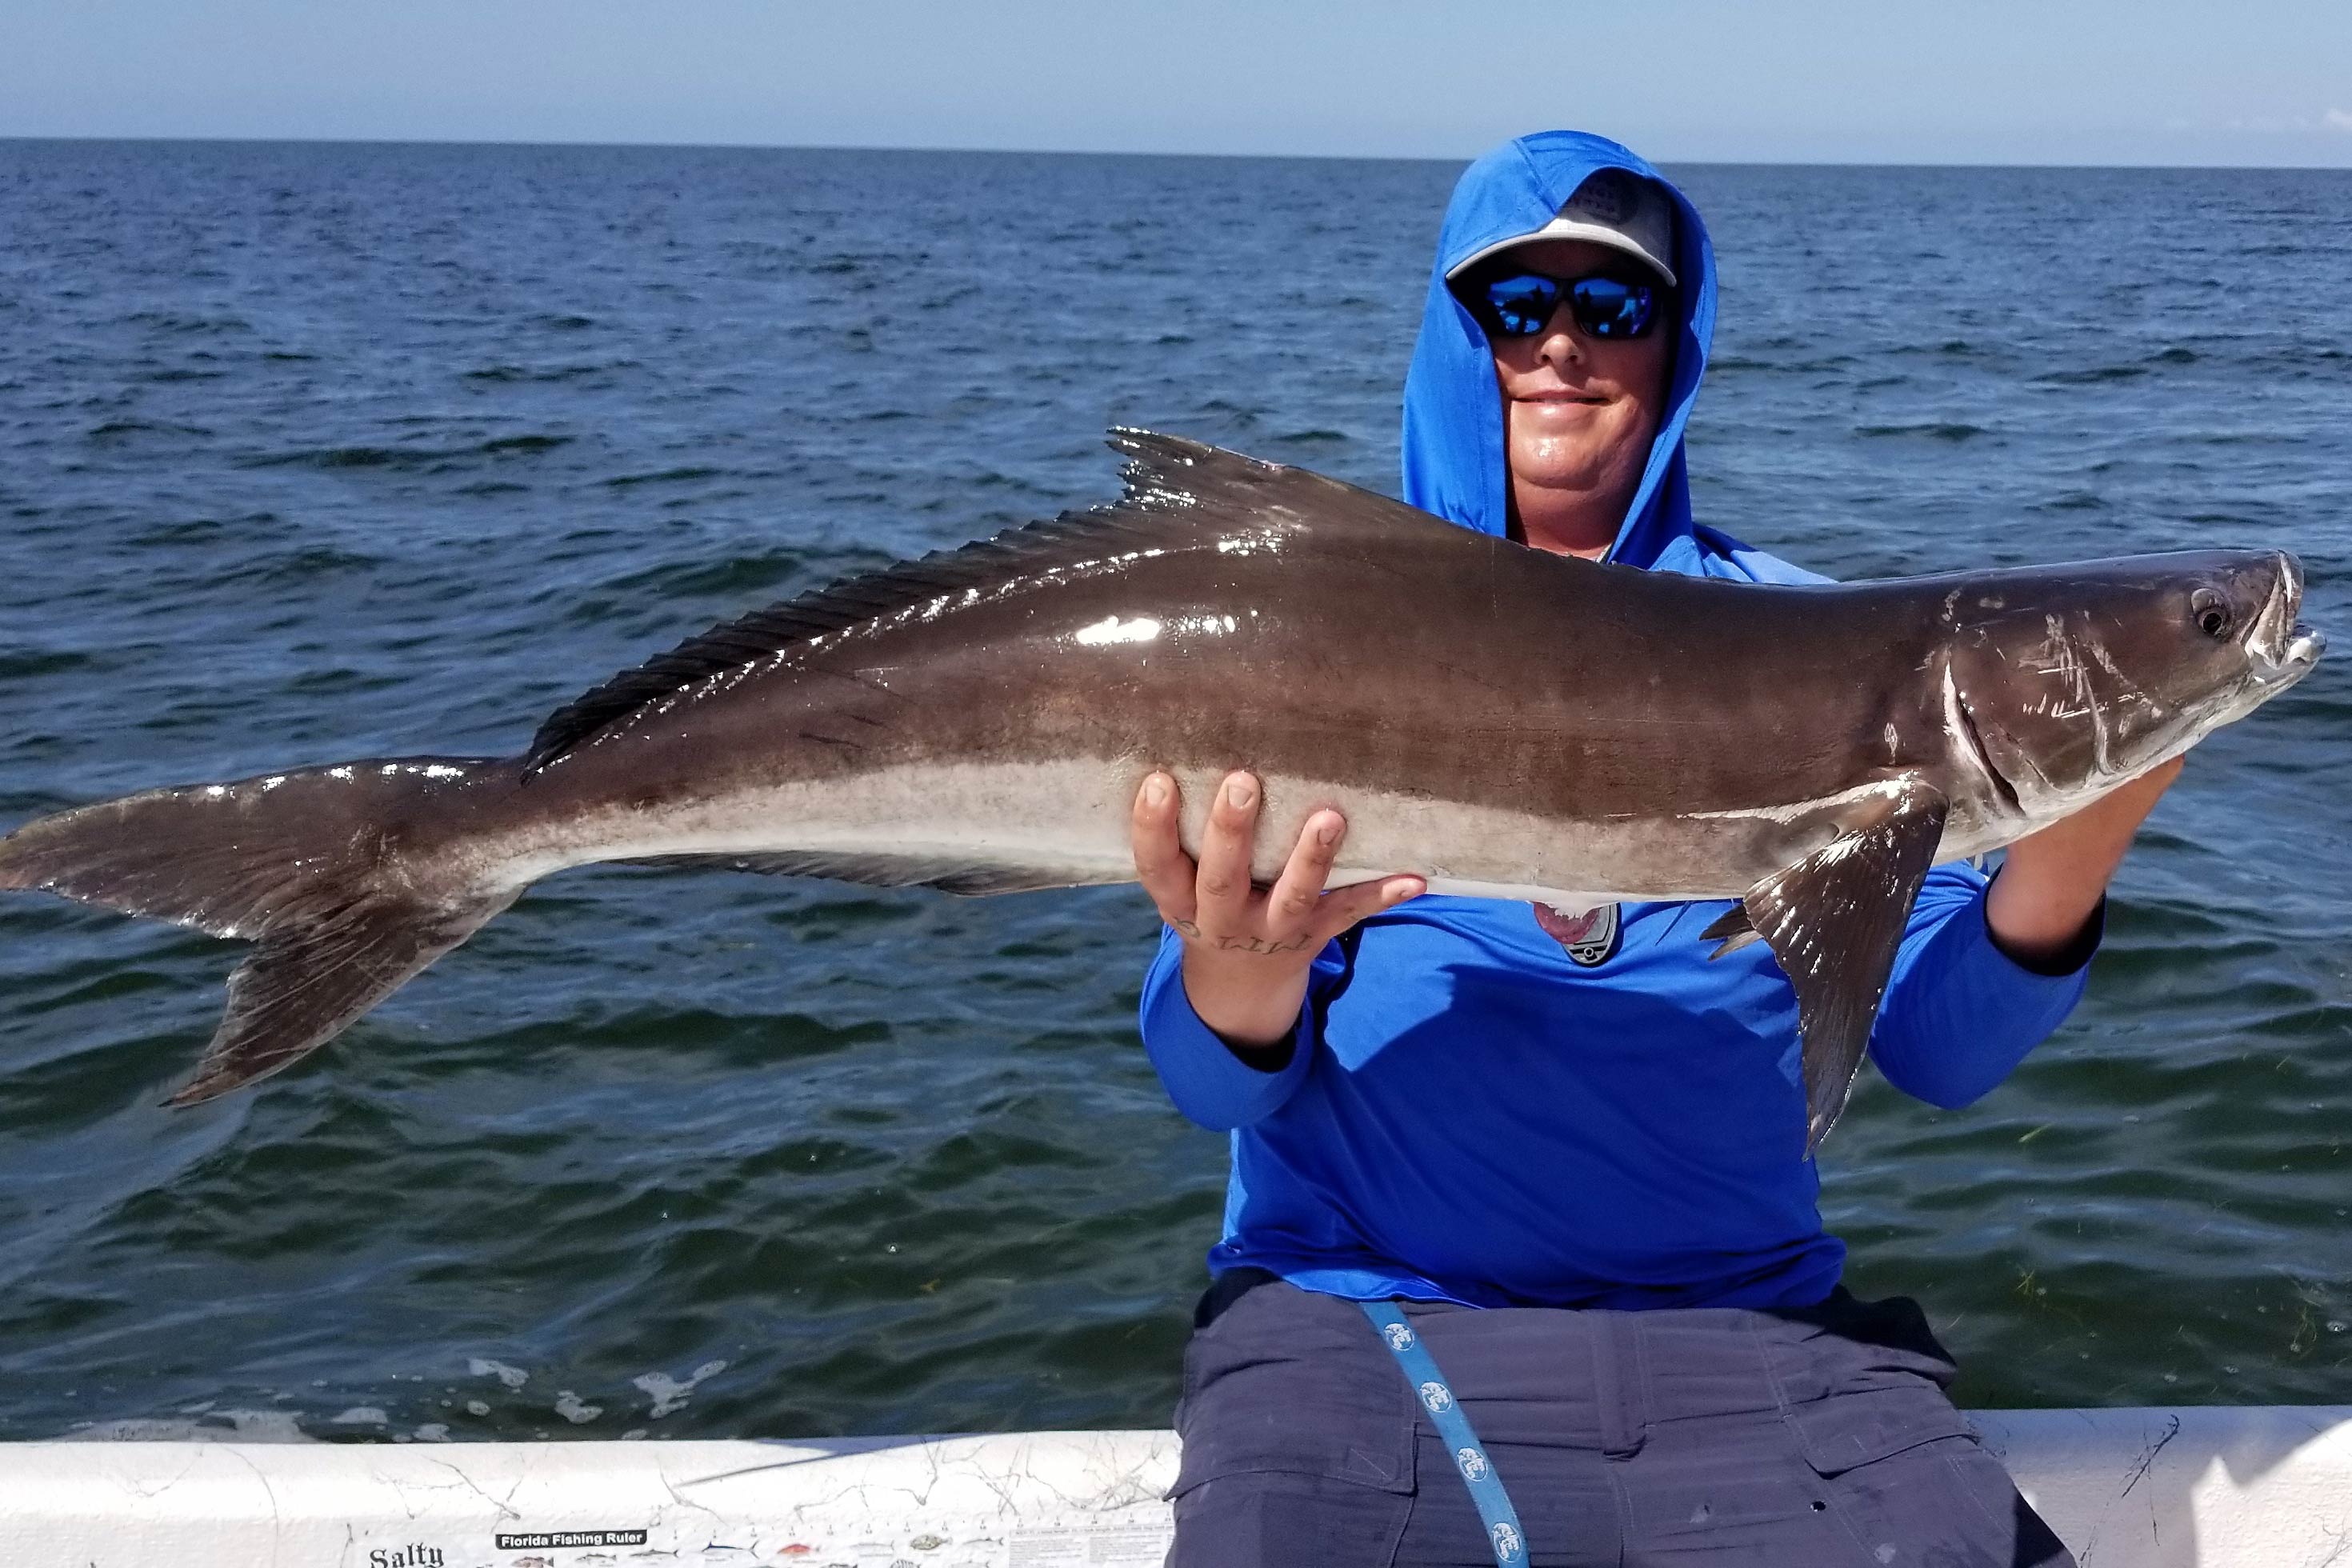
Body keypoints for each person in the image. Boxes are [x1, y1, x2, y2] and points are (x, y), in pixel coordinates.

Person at [1128, 131, 2178, 1566]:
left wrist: (2069, 844)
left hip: (1749, 1332)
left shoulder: (1822, 646)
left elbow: (1939, 1054)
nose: (1562, 346)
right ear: (1457, 335)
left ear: (1675, 351)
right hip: (1361, 1326)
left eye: (1614, 311)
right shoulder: (1308, 642)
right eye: (1517, 307)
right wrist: (1237, 971)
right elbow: (1204, 1080)